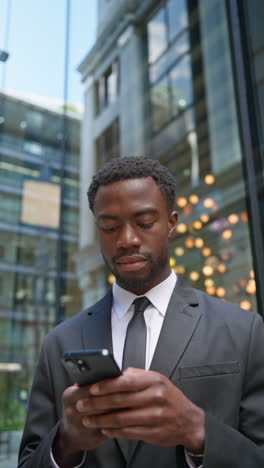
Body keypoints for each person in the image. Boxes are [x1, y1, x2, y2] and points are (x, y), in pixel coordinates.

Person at [18, 156, 264, 468]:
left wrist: (197, 430)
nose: (127, 240)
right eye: (110, 227)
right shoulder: (60, 342)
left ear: (171, 223)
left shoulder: (244, 329)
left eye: (145, 223)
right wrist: (65, 444)